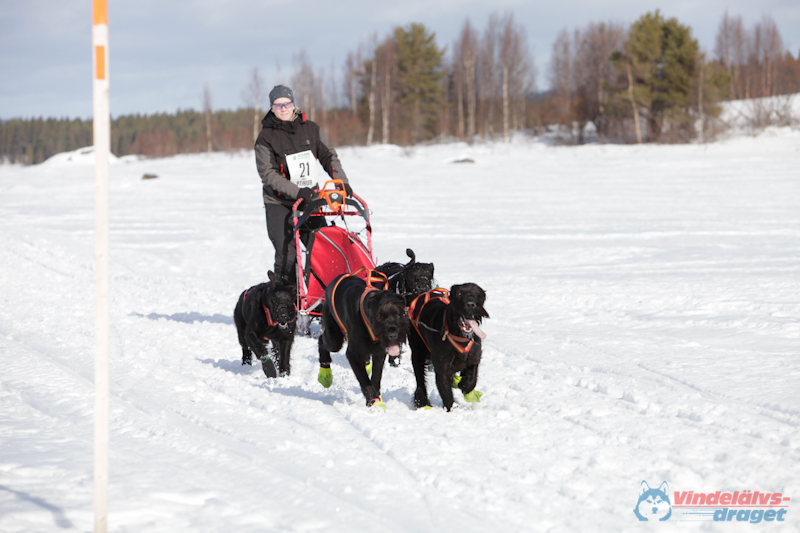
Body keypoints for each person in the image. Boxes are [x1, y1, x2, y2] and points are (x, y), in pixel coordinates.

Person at [255, 85, 353, 286]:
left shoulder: (311, 129)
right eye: (278, 105)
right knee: (287, 255)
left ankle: (326, 300)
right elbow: (268, 175)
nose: (283, 108)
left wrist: (341, 183)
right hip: (279, 202)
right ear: (271, 108)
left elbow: (328, 157)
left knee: (321, 250)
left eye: (287, 103)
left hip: (310, 201)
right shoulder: (265, 138)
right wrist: (298, 191)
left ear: (294, 105)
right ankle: (287, 306)